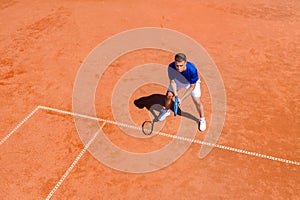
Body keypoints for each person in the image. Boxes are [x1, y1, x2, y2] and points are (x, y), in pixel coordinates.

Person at [157, 53, 206, 131]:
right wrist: (176, 95)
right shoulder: (171, 67)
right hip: (178, 81)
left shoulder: (192, 69)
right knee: (169, 95)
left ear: (185, 62)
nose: (178, 68)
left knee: (197, 101)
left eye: (181, 66)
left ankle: (202, 119)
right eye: (177, 65)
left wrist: (182, 99)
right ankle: (166, 111)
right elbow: (172, 82)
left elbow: (192, 87)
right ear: (175, 63)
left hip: (190, 83)